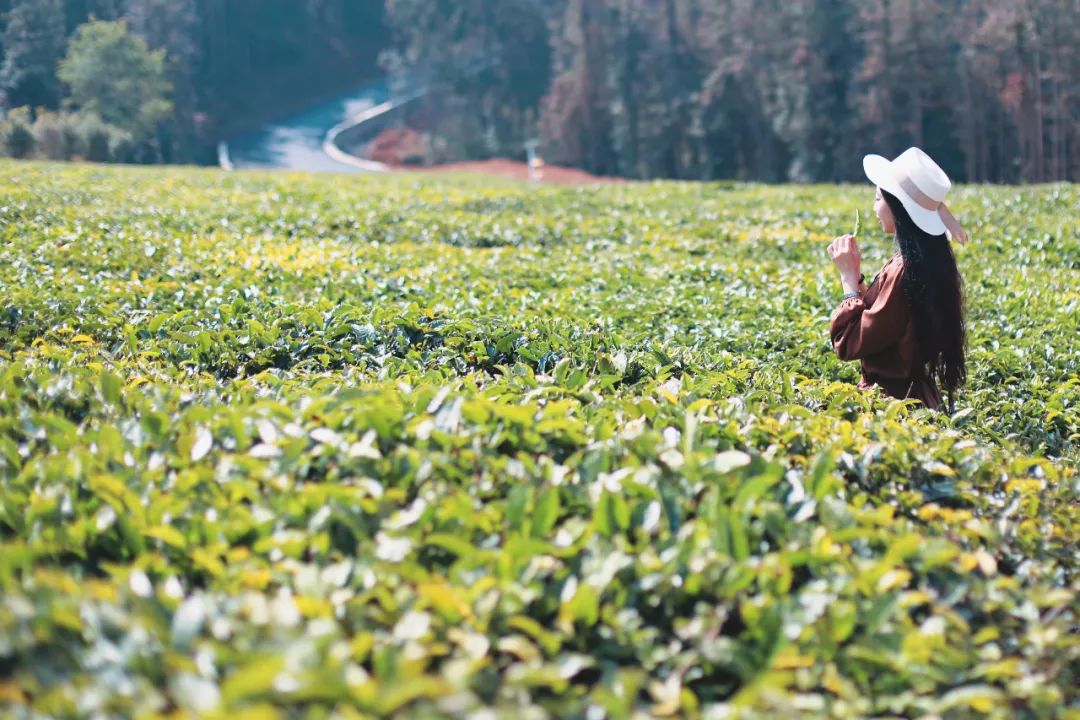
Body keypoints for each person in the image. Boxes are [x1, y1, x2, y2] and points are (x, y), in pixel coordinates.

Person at [827, 147, 969, 412]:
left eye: (878, 198)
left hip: (893, 407)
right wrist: (857, 277)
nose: (874, 207)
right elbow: (890, 321)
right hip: (919, 399)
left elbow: (850, 343)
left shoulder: (903, 269)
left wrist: (847, 281)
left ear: (898, 206)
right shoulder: (924, 261)